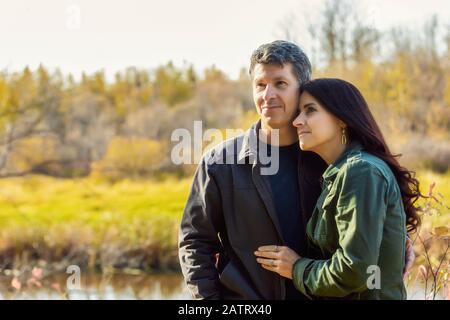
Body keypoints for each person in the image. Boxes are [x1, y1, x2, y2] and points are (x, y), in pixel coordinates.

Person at [178, 41, 414, 300]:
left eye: (280, 83)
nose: (267, 95)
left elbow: (367, 226)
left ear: (302, 88)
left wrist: (396, 246)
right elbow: (195, 242)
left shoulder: (329, 157)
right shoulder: (220, 162)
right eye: (260, 85)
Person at [254, 78, 421, 299]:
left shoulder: (360, 171)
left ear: (342, 119)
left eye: (310, 110)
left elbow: (353, 270)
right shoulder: (339, 173)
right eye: (298, 113)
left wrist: (296, 268)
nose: (297, 121)